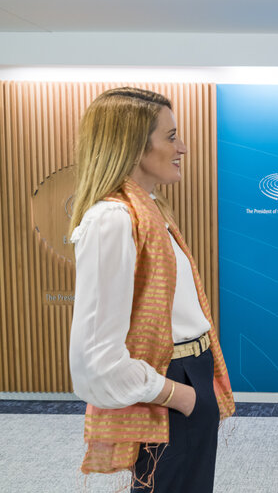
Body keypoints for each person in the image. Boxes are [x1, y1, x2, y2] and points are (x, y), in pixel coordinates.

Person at [68, 87, 235, 492]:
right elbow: (95, 360)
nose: (184, 147)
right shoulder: (113, 219)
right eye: (172, 136)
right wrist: (178, 396)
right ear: (134, 147)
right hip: (170, 384)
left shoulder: (150, 210)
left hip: (190, 374)